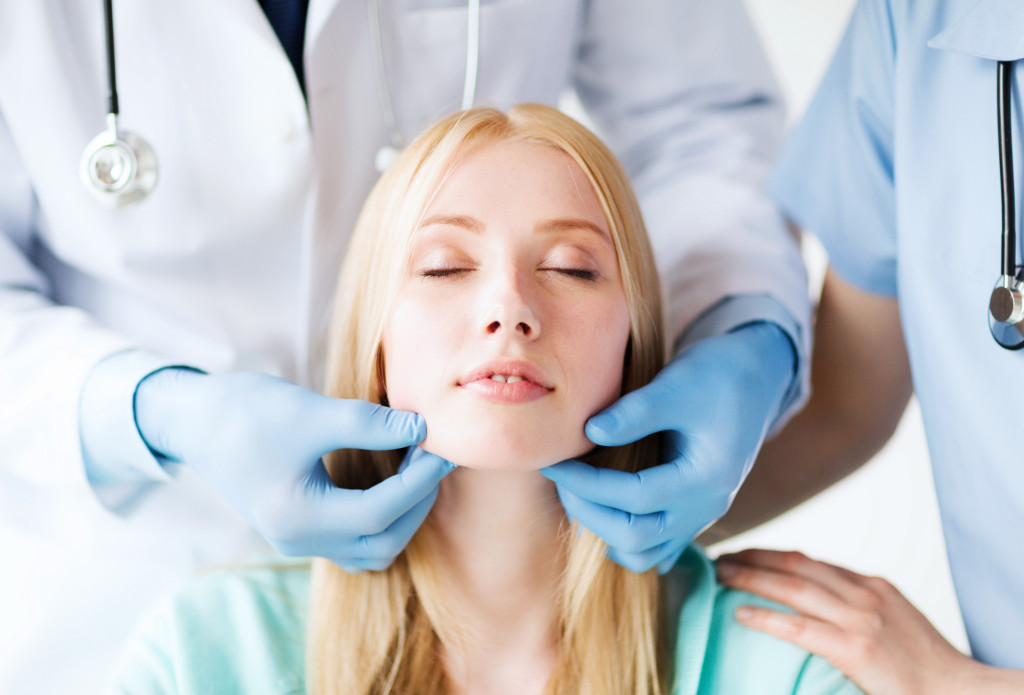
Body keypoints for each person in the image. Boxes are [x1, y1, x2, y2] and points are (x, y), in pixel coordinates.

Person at [0, 2, 810, 692]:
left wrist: (749, 333)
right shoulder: (192, 651)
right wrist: (161, 412)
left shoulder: (784, 665)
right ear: (373, 340)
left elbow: (700, 127)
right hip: (114, 566)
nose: (508, 308)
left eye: (571, 266)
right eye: (445, 266)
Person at [702, 0, 1024, 689]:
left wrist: (960, 685)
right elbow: (847, 397)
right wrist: (582, 529)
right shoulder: (916, 20)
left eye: (573, 268)